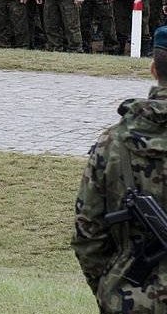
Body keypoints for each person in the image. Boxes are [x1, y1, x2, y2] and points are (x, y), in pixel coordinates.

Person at [73, 25, 167, 311]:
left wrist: (110, 290)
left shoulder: (112, 143)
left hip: (130, 300)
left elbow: (88, 233)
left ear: (153, 69)